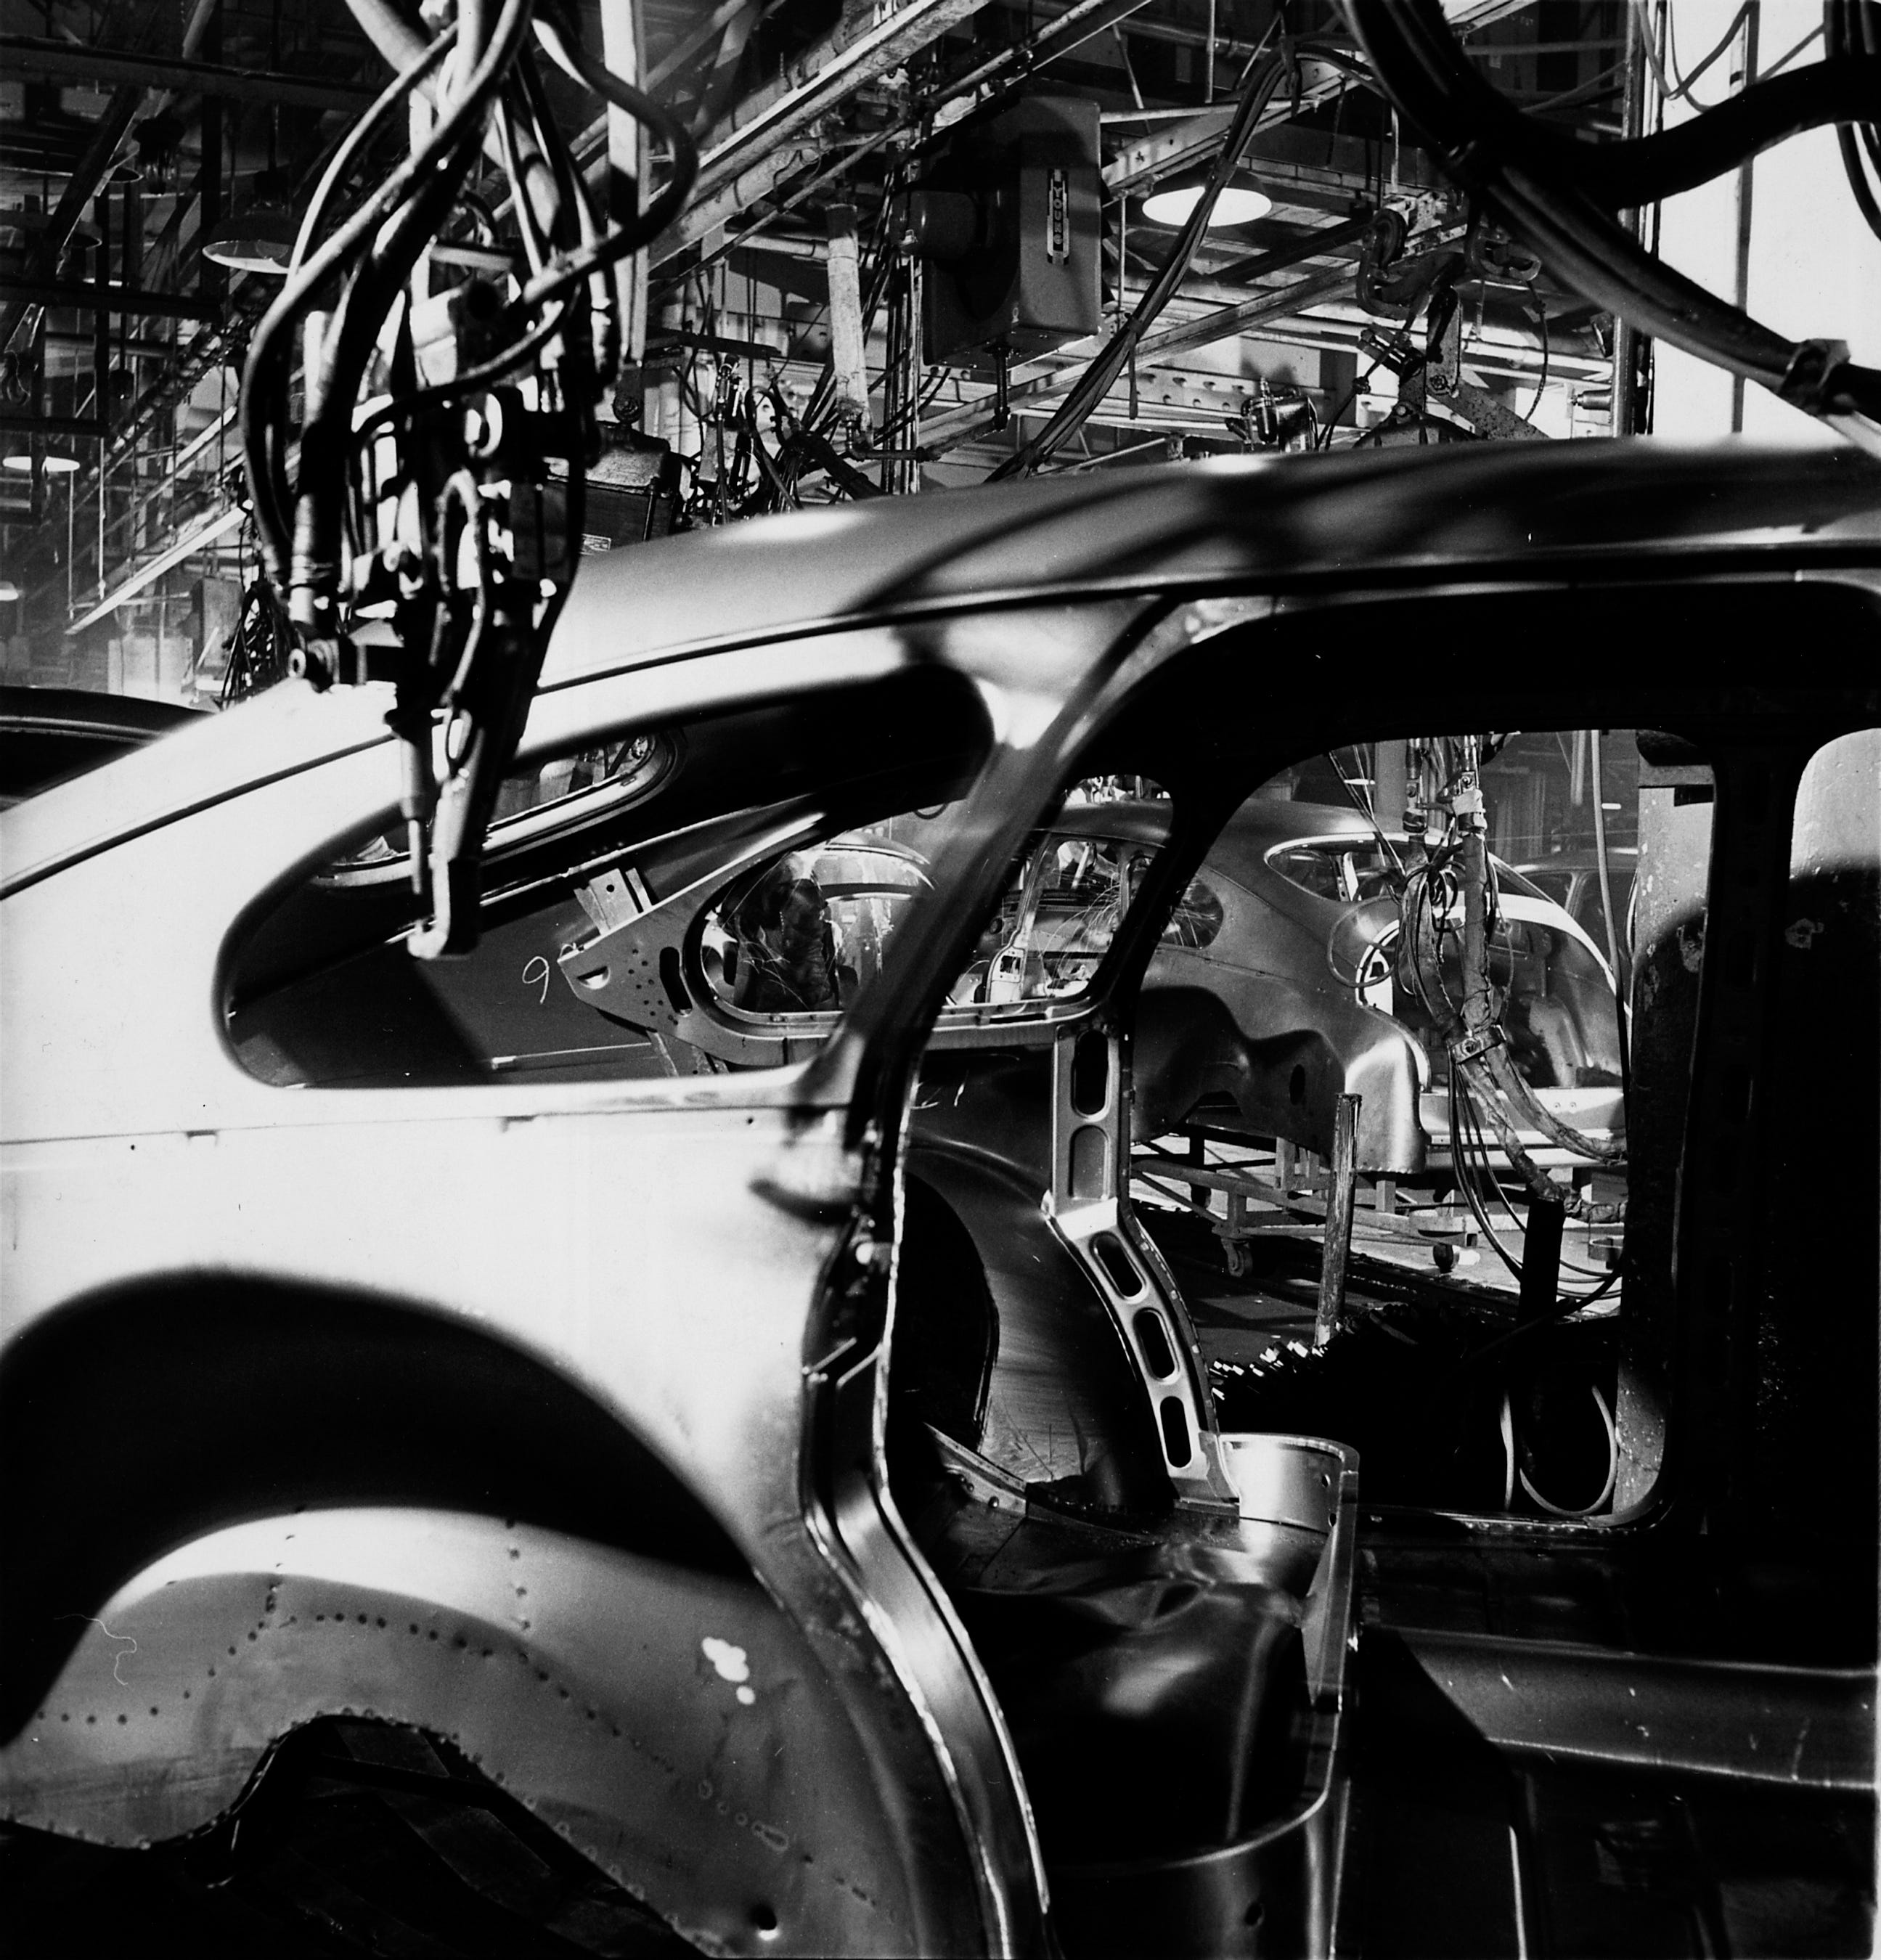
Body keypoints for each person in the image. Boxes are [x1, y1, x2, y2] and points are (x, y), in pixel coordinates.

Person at [730, 863, 843, 1012]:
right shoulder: (799, 909)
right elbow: (814, 982)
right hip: (791, 1020)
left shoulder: (751, 924)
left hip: (769, 1016)